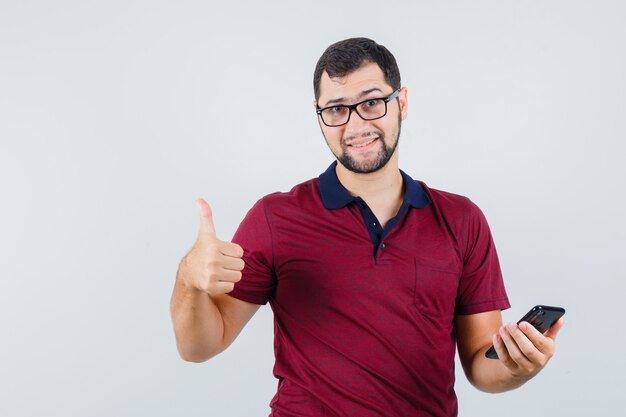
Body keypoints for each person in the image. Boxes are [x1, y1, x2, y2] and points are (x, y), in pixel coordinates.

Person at [170, 37, 564, 417]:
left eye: (372, 102)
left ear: (401, 102)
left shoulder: (462, 220)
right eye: (337, 109)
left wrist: (516, 366)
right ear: (319, 115)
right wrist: (189, 279)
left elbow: (482, 366)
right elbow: (199, 347)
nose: (355, 125)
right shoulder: (275, 218)